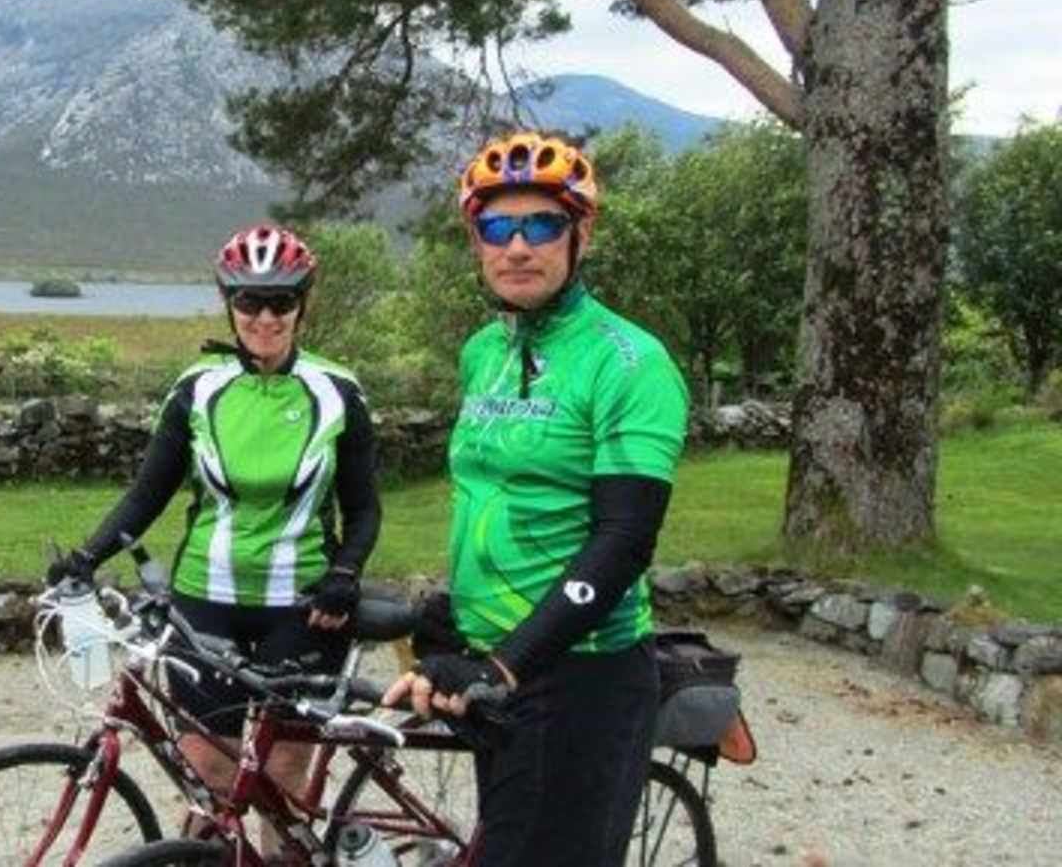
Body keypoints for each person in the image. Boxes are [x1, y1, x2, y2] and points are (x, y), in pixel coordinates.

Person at [381, 131, 689, 867]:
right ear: (477, 240)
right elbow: (495, 495)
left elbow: (623, 539)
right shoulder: (485, 351)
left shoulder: (630, 362)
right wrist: (457, 619)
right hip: (497, 667)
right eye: (498, 227)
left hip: (581, 672)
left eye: (542, 225)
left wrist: (505, 665)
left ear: (581, 233)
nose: (518, 246)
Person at [47, 223, 381, 839]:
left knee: (283, 784)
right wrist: (87, 557)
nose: (264, 316)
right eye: (249, 301)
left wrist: (344, 574)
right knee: (209, 783)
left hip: (304, 609)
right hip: (205, 604)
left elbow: (364, 508)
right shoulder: (198, 388)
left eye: (281, 301)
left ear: (303, 303)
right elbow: (150, 491)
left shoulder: (337, 392)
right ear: (228, 304)